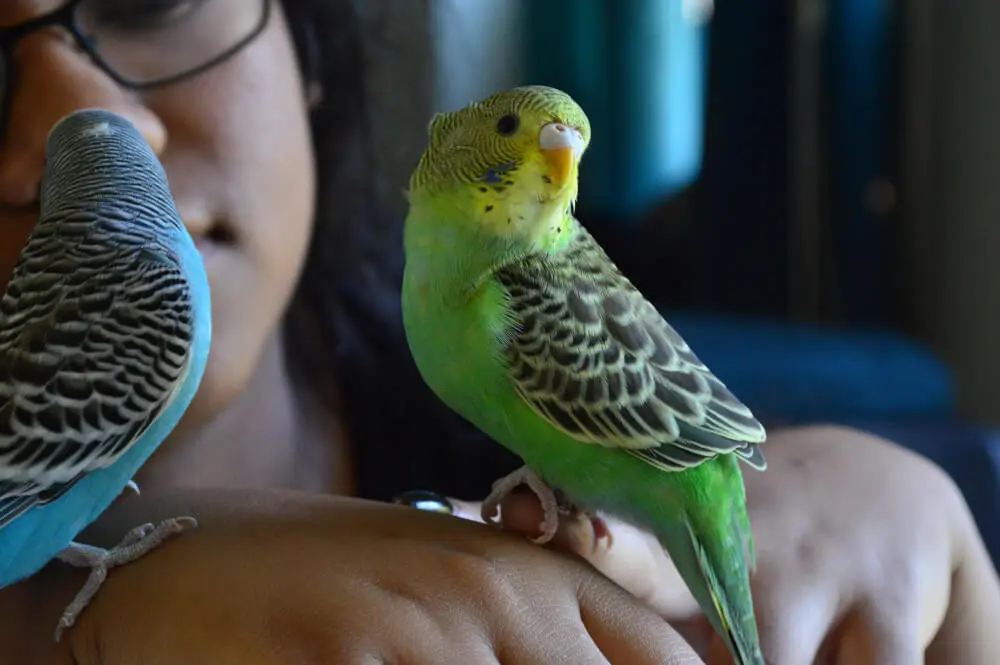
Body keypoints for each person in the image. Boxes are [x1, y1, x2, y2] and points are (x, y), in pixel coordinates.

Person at [0, 1, 997, 664]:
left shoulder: (486, 346)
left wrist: (881, 491)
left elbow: (702, 463)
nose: (77, 122)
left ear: (308, 47)